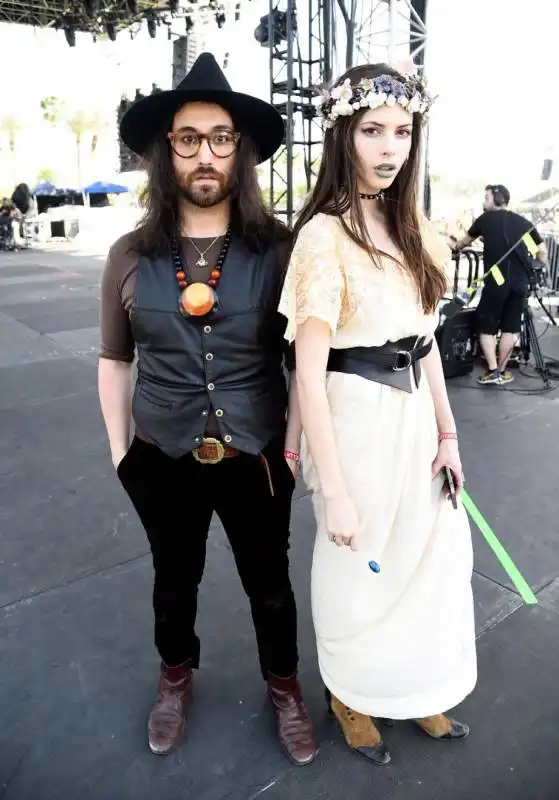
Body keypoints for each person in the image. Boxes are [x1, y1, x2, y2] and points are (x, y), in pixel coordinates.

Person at [98, 52, 316, 765]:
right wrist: (118, 450)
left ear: (240, 151)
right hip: (161, 452)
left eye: (220, 137)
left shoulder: (279, 249)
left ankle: (283, 688)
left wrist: (292, 447)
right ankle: (174, 678)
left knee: (270, 586)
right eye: (187, 138)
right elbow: (113, 359)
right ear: (167, 151)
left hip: (258, 453)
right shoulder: (129, 253)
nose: (205, 153)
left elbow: (300, 362)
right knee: (172, 580)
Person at [278, 62, 477, 766]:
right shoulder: (321, 237)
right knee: (356, 566)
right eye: (371, 131)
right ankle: (351, 694)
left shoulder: (416, 227)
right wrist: (331, 487)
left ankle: (413, 687)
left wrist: (449, 436)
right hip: (351, 416)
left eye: (401, 130)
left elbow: (423, 344)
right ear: (342, 135)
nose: (388, 147)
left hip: (416, 417)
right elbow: (306, 372)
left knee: (426, 565)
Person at [453, 184, 548, 384]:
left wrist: (454, 247)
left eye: (486, 198)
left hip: (497, 282)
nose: (483, 202)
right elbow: (542, 251)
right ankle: (503, 372)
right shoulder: (523, 222)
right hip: (520, 283)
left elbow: (464, 242)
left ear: (497, 199)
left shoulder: (485, 220)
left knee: (486, 326)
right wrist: (537, 266)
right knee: (511, 328)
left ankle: (494, 371)